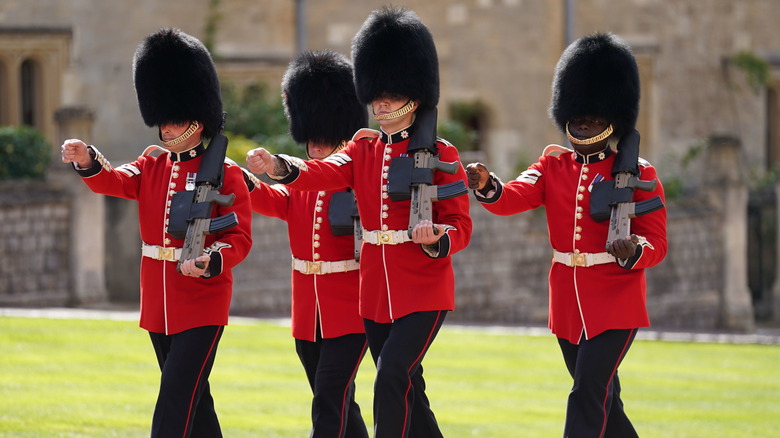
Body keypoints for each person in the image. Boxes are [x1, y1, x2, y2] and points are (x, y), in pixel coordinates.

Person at [246, 7, 472, 437]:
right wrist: (279, 165)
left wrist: (438, 237)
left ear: (415, 94)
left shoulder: (443, 155)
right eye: (377, 92)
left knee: (390, 376)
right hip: (374, 295)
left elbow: (460, 226)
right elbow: (321, 173)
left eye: (391, 92)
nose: (381, 101)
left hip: (424, 290)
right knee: (409, 388)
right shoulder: (363, 151)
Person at [466, 33, 667, 438]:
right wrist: (488, 185)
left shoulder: (638, 174)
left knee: (586, 394)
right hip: (568, 303)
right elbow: (514, 196)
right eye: (578, 114)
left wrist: (634, 251)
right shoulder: (553, 165)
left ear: (612, 118)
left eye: (593, 115)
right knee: (606, 403)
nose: (583, 122)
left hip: (616, 302)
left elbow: (657, 243)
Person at [61, 28, 253, 438]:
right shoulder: (153, 166)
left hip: (202, 302)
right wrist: (88, 159)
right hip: (159, 303)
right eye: (163, 120)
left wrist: (212, 259)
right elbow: (113, 180)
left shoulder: (227, 173)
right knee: (196, 402)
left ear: (197, 117)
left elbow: (240, 239)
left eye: (175, 119)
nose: (166, 128)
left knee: (175, 397)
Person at [241, 50, 369, 438]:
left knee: (329, 398)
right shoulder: (303, 177)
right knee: (336, 399)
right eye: (311, 137)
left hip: (350, 310)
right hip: (308, 310)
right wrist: (246, 184)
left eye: (323, 137)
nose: (315, 145)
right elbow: (283, 204)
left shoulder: (355, 171)